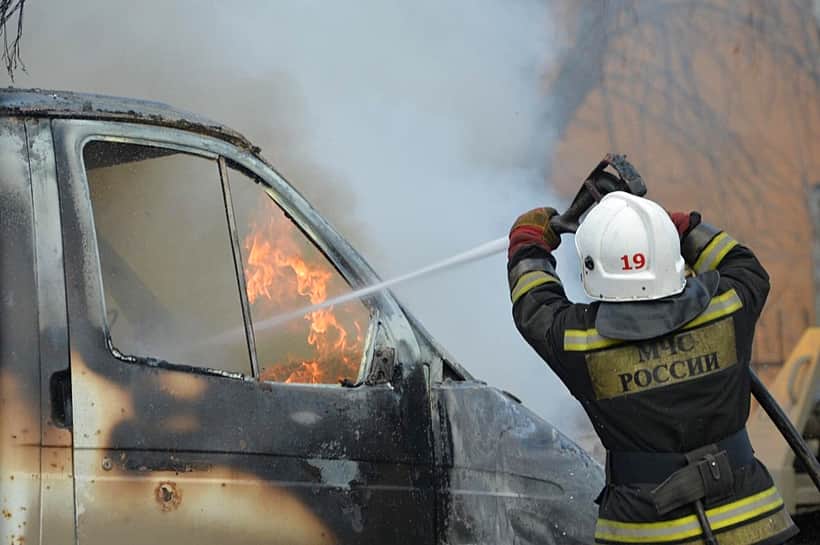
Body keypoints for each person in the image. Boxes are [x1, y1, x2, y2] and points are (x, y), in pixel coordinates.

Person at [507, 191, 798, 545]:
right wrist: (681, 226)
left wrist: (529, 244)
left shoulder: (579, 343)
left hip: (645, 532)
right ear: (668, 255)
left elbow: (534, 305)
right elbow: (743, 264)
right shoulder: (729, 305)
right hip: (756, 523)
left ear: (593, 267)